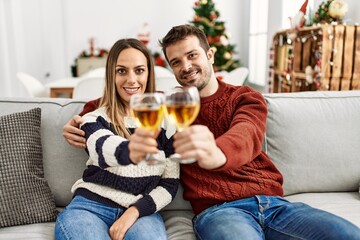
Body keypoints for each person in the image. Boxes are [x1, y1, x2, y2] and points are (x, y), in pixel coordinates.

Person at [63, 25, 360, 240]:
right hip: (219, 211)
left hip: (275, 204)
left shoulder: (246, 97)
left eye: (192, 56)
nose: (186, 66)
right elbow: (124, 99)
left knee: (348, 234)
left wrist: (217, 152)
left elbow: (246, 134)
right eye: (176, 62)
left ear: (210, 55)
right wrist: (78, 120)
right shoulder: (172, 104)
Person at [55, 38, 179, 240]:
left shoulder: (167, 122)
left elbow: (169, 185)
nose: (131, 80)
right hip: (90, 206)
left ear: (149, 73)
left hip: (141, 213)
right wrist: (131, 149)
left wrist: (135, 211)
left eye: (139, 70)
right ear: (111, 75)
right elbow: (103, 147)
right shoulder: (94, 118)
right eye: (122, 71)